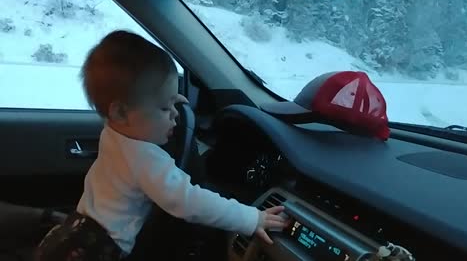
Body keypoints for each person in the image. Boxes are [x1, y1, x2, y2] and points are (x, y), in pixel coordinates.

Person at [34, 30, 287, 261]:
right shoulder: (145, 159)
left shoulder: (113, 132)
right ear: (121, 112)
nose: (175, 114)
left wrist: (163, 100)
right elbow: (191, 202)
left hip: (73, 233)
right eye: (165, 108)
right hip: (97, 251)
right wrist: (251, 218)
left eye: (174, 102)